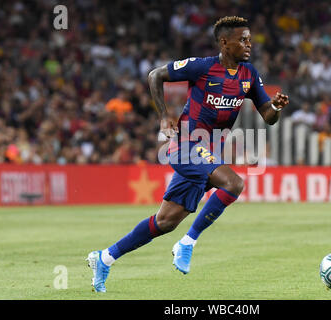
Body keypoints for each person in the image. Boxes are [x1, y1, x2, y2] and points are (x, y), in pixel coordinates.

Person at [86, 16, 289, 293]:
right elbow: (155, 75)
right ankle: (188, 242)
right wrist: (164, 117)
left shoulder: (249, 74)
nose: (248, 44)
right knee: (234, 183)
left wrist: (275, 107)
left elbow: (268, 117)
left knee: (165, 222)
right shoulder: (203, 67)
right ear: (224, 42)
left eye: (249, 39)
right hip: (186, 146)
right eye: (243, 39)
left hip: (208, 153)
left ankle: (105, 257)